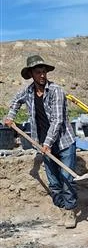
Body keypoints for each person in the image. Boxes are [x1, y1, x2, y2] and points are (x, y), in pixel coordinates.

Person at [4, 55, 78, 228]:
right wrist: (10, 117)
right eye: (38, 72)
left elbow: (58, 120)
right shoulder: (27, 92)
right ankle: (62, 209)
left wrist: (47, 144)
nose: (42, 75)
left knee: (67, 178)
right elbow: (15, 102)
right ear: (31, 74)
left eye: (44, 72)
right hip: (42, 144)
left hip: (63, 142)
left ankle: (70, 211)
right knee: (54, 183)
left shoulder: (56, 91)